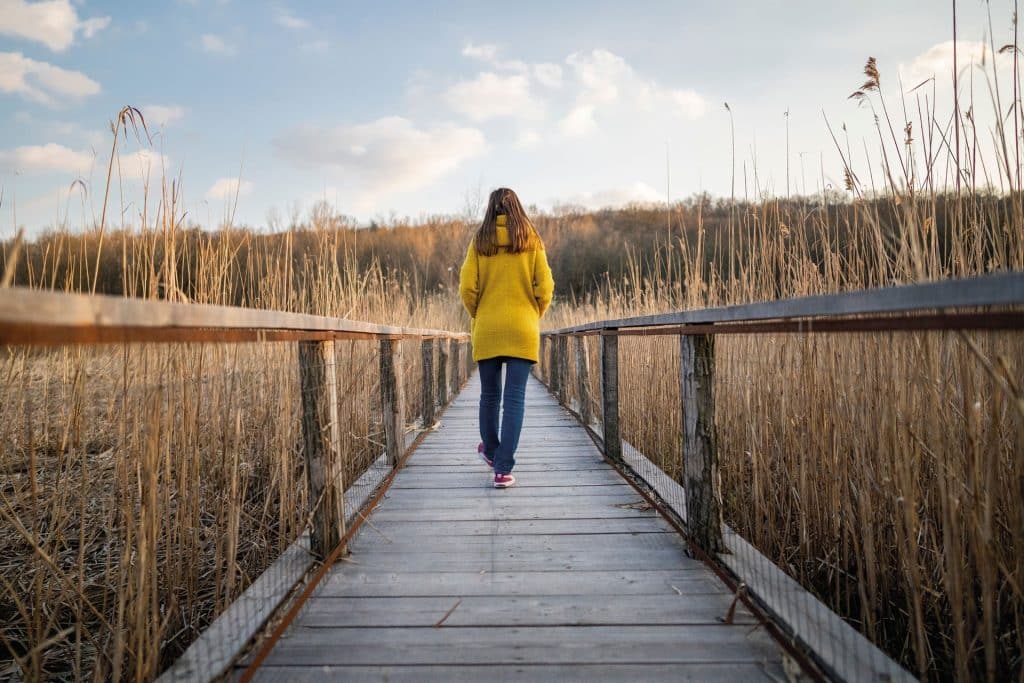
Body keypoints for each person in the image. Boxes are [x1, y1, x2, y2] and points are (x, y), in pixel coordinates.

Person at [459, 187, 554, 489]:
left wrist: (480, 314)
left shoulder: (480, 241)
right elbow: (546, 287)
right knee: (514, 399)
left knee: (489, 395)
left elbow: (466, 288)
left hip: (488, 328)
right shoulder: (531, 240)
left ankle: (489, 449)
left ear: (491, 209)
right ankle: (503, 469)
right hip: (523, 328)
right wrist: (533, 313)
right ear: (517, 208)